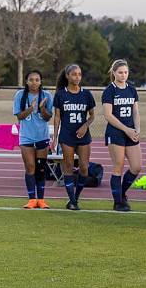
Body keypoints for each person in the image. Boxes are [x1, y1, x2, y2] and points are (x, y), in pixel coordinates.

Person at [52, 64, 96, 210]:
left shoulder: (86, 94)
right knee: (69, 166)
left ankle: (76, 197)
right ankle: (72, 200)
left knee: (84, 168)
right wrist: (55, 138)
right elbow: (57, 118)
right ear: (67, 76)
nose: (77, 77)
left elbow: (92, 116)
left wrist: (85, 126)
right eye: (74, 74)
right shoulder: (60, 94)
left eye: (79, 74)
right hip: (67, 135)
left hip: (83, 135)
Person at [102, 59, 141, 212]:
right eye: (120, 72)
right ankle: (118, 202)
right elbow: (108, 115)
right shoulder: (110, 90)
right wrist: (126, 129)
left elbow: (135, 112)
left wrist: (137, 128)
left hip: (130, 132)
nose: (123, 75)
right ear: (114, 73)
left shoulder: (131, 89)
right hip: (116, 132)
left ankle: (122, 192)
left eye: (125, 72)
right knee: (118, 166)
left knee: (137, 167)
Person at [13, 70, 54, 209]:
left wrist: (42, 108)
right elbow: (19, 116)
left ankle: (41, 200)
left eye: (37, 80)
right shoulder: (20, 95)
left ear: (41, 81)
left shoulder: (47, 95)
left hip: (42, 137)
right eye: (31, 79)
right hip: (26, 138)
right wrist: (31, 108)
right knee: (30, 167)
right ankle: (31, 199)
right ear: (26, 81)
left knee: (41, 169)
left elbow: (48, 117)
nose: (34, 82)